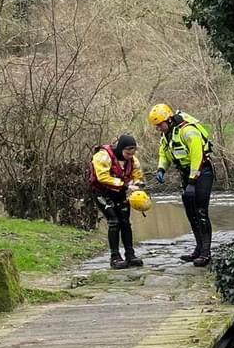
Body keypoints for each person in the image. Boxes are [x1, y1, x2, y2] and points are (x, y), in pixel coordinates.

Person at [149, 103, 214, 267]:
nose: (158, 129)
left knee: (200, 211)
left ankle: (206, 253)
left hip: (202, 172)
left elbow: (197, 156)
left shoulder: (188, 131)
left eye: (159, 125)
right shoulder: (167, 135)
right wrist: (161, 168)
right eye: (156, 126)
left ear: (169, 120)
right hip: (186, 174)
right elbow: (164, 153)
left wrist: (192, 181)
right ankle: (199, 248)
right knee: (190, 211)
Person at [88, 133, 147, 269]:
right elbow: (102, 177)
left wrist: (137, 185)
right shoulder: (103, 156)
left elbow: (137, 176)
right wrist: (125, 185)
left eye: (132, 153)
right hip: (102, 192)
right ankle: (115, 257)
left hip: (120, 193)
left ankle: (130, 254)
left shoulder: (133, 161)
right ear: (121, 149)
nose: (129, 156)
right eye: (127, 153)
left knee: (125, 222)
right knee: (114, 222)